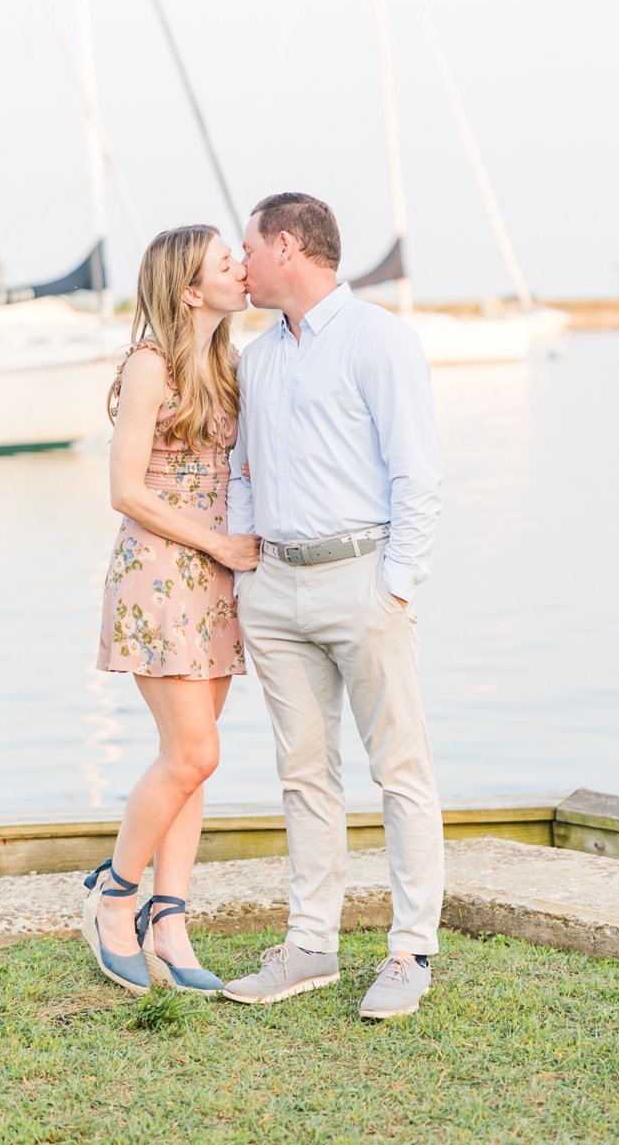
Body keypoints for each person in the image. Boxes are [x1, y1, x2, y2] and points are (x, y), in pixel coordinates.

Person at [223, 192, 444, 1021]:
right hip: (275, 590)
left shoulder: (379, 340)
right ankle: (311, 944)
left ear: (286, 247)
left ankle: (410, 947)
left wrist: (397, 580)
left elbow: (415, 471)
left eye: (248, 248)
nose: (240, 265)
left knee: (401, 770)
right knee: (303, 774)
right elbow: (245, 472)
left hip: (363, 578)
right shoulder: (257, 356)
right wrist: (250, 571)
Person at [82, 224, 260, 995]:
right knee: (193, 753)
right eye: (227, 262)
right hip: (162, 573)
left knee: (193, 761)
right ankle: (114, 900)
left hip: (217, 581)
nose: (242, 267)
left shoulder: (229, 364)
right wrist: (218, 545)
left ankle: (173, 920)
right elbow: (126, 489)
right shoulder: (151, 364)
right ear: (191, 290)